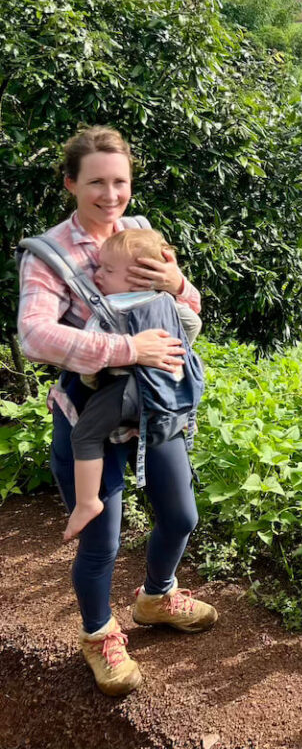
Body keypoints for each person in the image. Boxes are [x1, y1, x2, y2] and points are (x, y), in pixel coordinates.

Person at [17, 126, 217, 697]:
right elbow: (34, 335)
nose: (110, 195)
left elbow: (181, 308)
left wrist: (179, 282)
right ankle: (98, 633)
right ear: (71, 183)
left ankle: (157, 596)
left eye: (120, 182)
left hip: (155, 404)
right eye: (96, 182)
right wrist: (126, 349)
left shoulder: (140, 232)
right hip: (93, 409)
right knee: (102, 538)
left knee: (180, 515)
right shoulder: (49, 254)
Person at [63, 227, 203, 543]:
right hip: (164, 393)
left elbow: (90, 360)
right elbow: (193, 322)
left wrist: (93, 381)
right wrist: (175, 351)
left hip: (122, 392)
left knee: (84, 435)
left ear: (136, 278)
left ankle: (87, 503)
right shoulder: (167, 302)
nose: (98, 275)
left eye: (108, 270)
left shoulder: (108, 309)